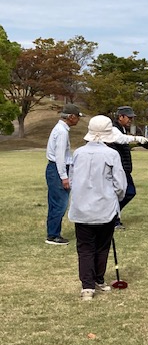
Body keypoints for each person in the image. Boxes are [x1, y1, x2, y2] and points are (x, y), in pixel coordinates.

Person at [68, 115, 127, 301]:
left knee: (85, 248)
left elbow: (71, 179)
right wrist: (116, 199)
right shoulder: (112, 154)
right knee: (102, 246)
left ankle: (87, 286)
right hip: (104, 208)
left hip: (81, 208)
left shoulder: (78, 153)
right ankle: (98, 279)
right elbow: (120, 185)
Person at [45, 103, 83, 245]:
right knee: (60, 204)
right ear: (71, 117)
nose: (78, 120)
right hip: (57, 168)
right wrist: (64, 177)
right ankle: (53, 235)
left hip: (55, 168)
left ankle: (53, 232)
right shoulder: (61, 132)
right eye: (77, 117)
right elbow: (60, 156)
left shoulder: (60, 129)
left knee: (55, 203)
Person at [107, 106, 148, 229]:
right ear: (121, 117)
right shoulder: (114, 129)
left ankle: (113, 217)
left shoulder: (122, 129)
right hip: (118, 169)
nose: (130, 120)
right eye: (129, 117)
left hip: (124, 168)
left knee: (128, 192)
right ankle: (113, 219)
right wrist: (136, 138)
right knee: (124, 193)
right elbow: (120, 139)